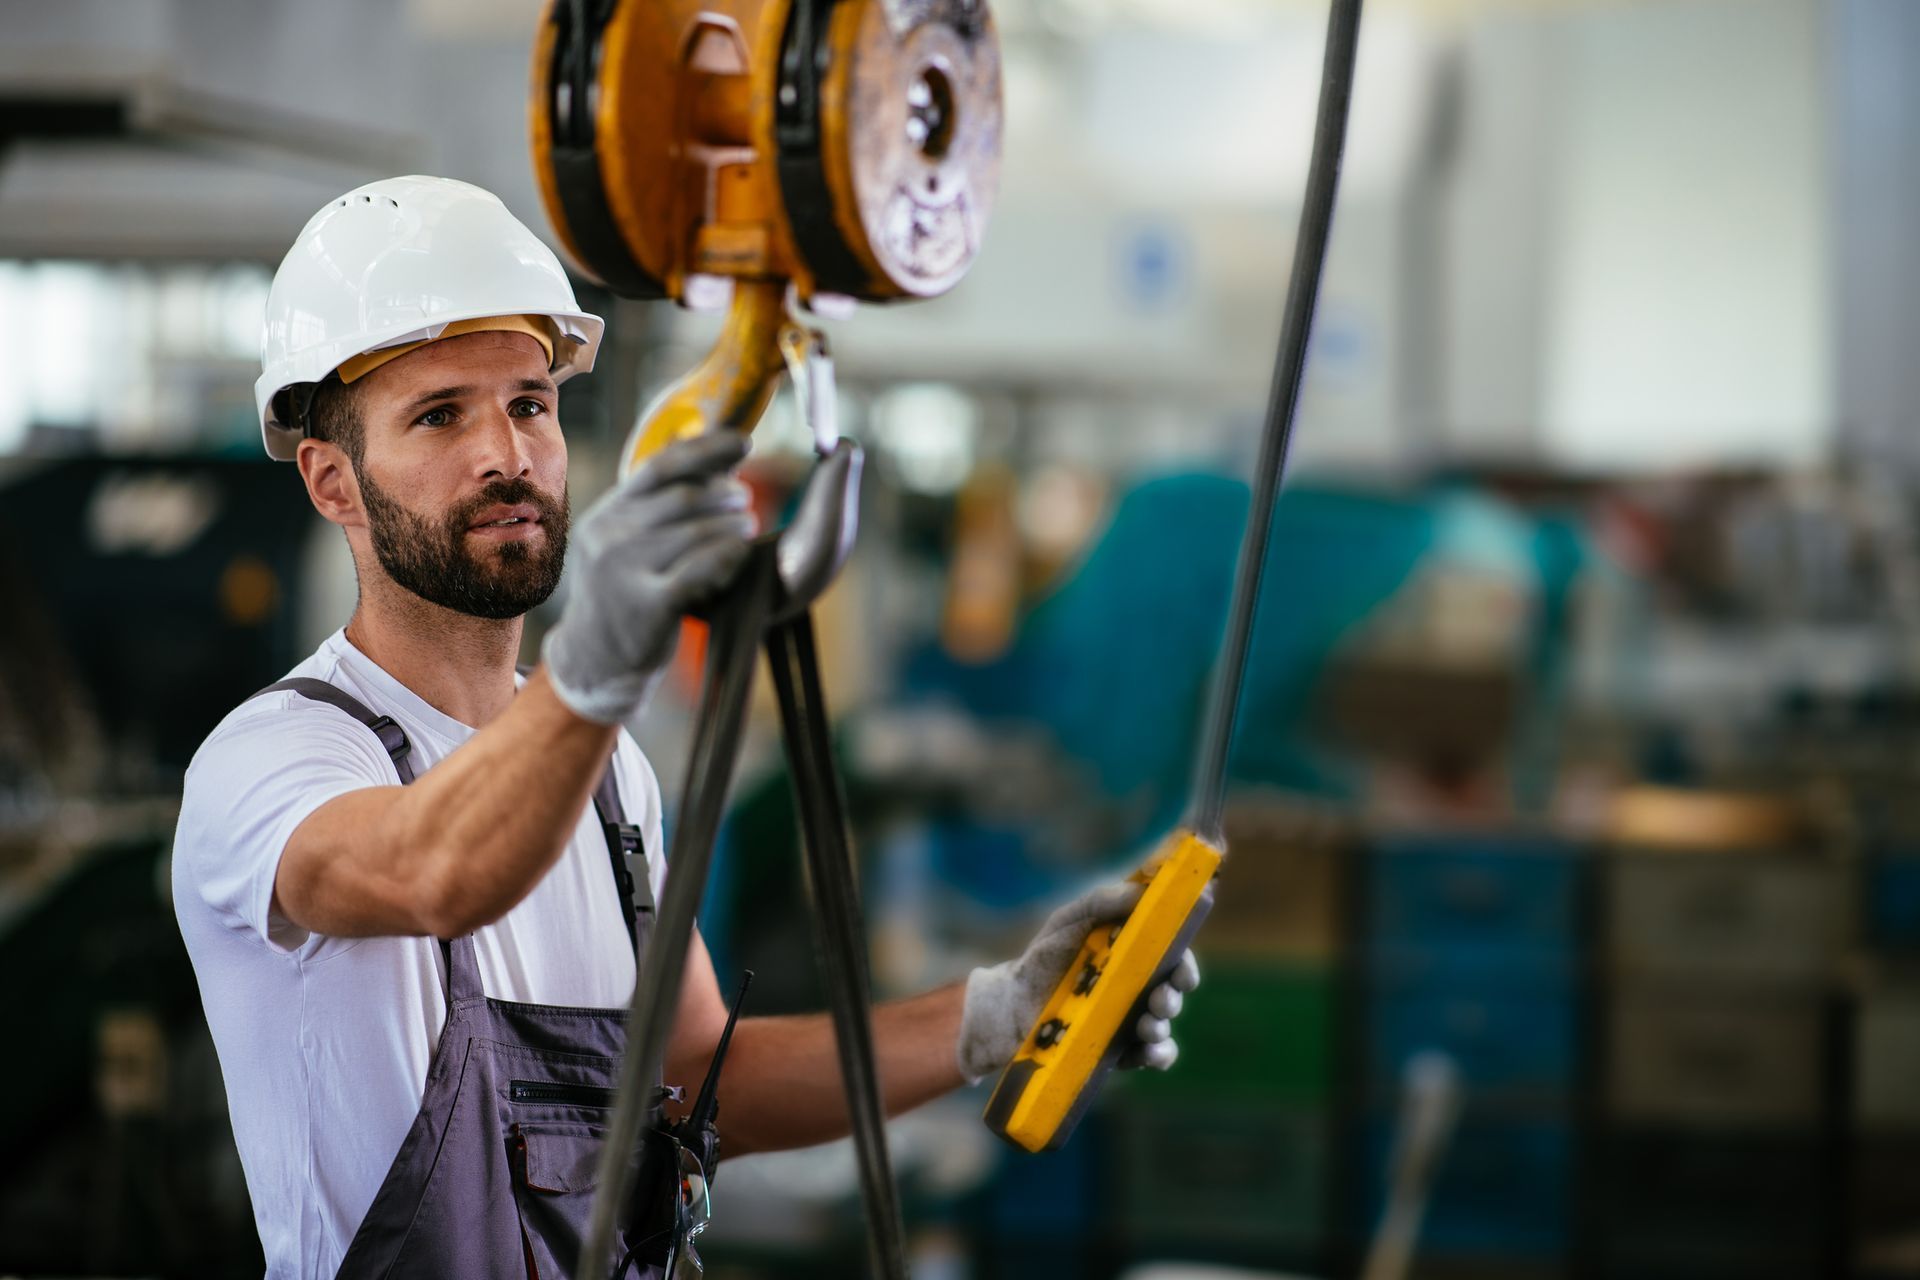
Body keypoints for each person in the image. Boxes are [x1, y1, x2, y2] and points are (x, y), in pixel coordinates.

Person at [172, 175, 1198, 1279]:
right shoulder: (274, 757)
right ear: (333, 481)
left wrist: (1003, 1012)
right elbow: (433, 866)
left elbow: (710, 1073)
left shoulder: (607, 776)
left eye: (529, 402)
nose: (506, 455)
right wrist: (598, 661)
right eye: (439, 415)